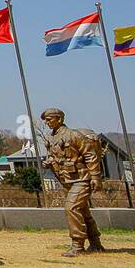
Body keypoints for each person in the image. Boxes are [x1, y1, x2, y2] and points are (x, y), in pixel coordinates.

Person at [41, 108, 104, 257]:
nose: (47, 122)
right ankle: (95, 243)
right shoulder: (52, 138)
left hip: (82, 179)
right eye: (46, 120)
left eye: (50, 119)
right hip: (67, 180)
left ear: (60, 119)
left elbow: (90, 156)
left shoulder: (74, 135)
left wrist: (95, 177)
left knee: (71, 208)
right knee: (83, 211)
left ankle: (77, 245)